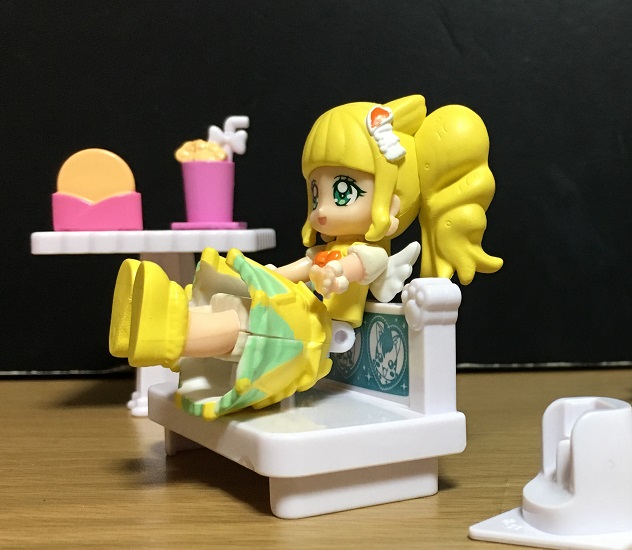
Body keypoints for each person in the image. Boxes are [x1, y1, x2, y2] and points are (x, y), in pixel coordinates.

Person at [109, 95, 502, 419]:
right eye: (316, 194)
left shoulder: (369, 253)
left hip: (328, 331)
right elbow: (301, 268)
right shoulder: (324, 249)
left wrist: (337, 275)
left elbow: (352, 270)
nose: (323, 209)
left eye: (343, 192)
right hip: (310, 318)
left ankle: (173, 331)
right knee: (250, 311)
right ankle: (173, 323)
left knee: (254, 327)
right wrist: (271, 275)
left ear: (393, 200)